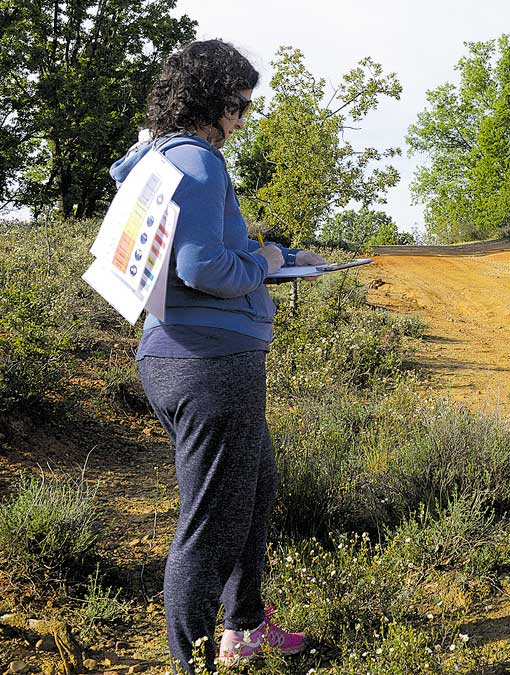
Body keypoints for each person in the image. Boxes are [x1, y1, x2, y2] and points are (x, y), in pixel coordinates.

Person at [109, 40, 319, 672]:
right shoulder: (199, 162)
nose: (243, 119)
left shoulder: (155, 159)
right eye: (240, 105)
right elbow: (202, 267)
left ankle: (244, 626)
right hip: (210, 364)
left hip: (176, 355)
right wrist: (266, 264)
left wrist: (271, 256)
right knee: (210, 525)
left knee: (254, 488)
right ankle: (193, 662)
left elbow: (191, 253)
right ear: (212, 99)